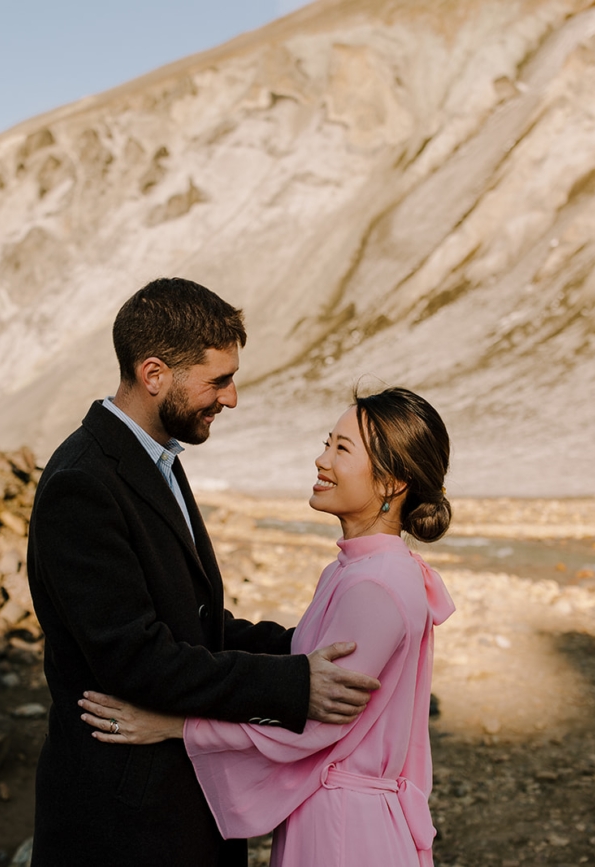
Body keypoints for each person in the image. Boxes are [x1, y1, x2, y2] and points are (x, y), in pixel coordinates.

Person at [26, 277, 383, 867]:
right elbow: (136, 659)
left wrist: (303, 646)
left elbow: (193, 623)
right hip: (122, 817)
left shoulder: (157, 458)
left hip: (171, 796)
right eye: (218, 380)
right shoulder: (82, 484)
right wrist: (294, 685)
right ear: (155, 374)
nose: (233, 397)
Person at [80, 387, 457, 867]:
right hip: (340, 816)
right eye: (327, 442)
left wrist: (176, 726)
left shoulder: (375, 584)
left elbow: (315, 728)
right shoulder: (361, 569)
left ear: (391, 483)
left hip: (344, 834)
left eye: (342, 449)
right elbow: (306, 673)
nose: (321, 460)